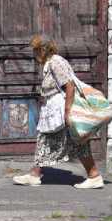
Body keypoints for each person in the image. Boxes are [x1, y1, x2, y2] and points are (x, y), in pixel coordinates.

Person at [12, 35, 104, 189]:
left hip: (60, 110)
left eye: (35, 51)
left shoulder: (56, 62)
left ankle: (94, 175)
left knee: (77, 143)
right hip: (53, 110)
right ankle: (35, 174)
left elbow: (69, 85)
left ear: (42, 50)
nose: (34, 54)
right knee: (47, 140)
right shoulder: (50, 63)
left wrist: (67, 112)